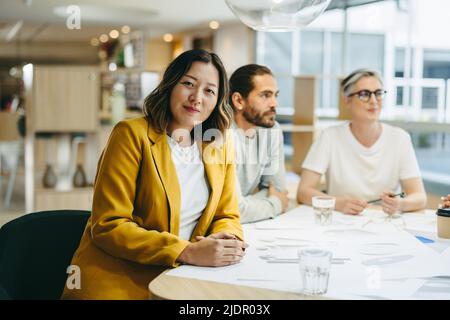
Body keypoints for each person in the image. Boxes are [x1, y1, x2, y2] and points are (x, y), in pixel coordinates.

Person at [62, 49, 246, 300]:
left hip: (180, 278)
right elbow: (109, 225)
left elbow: (227, 213)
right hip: (119, 281)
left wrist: (226, 242)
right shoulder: (130, 134)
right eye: (188, 84)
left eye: (209, 91)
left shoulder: (218, 144)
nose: (197, 98)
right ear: (170, 85)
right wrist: (187, 251)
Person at [297, 68, 427, 215]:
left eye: (378, 93)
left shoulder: (400, 138)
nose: (373, 101)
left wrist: (399, 204)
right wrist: (339, 203)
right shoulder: (330, 136)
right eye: (364, 94)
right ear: (347, 100)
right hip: (342, 221)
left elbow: (419, 197)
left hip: (385, 223)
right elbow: (303, 192)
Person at [229, 64, 289, 223]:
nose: (274, 103)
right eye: (265, 95)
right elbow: (232, 210)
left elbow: (278, 189)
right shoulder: (221, 135)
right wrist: (275, 203)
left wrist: (249, 204)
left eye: (275, 95)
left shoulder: (272, 130)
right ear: (239, 100)